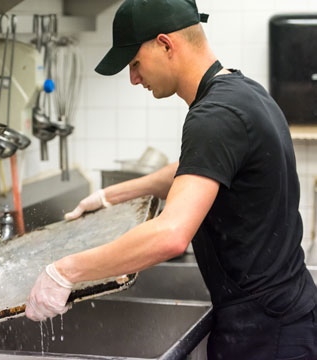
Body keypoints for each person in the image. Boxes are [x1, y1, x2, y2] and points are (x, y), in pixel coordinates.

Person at [25, 0, 317, 358]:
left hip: (263, 333)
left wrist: (65, 271)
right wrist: (109, 196)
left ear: (165, 44)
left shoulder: (213, 115)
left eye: (134, 63)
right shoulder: (243, 93)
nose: (133, 79)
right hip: (284, 312)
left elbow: (171, 236)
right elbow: (194, 169)